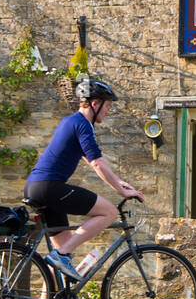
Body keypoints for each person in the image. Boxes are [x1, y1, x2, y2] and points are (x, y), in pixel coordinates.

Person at [24, 77, 142, 280]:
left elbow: (91, 160)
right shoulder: (83, 124)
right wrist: (121, 191)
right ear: (95, 103)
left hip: (36, 187)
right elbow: (97, 163)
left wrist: (119, 181)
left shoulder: (70, 122)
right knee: (109, 212)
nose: (108, 111)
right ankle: (62, 255)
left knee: (60, 256)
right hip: (49, 187)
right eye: (107, 106)